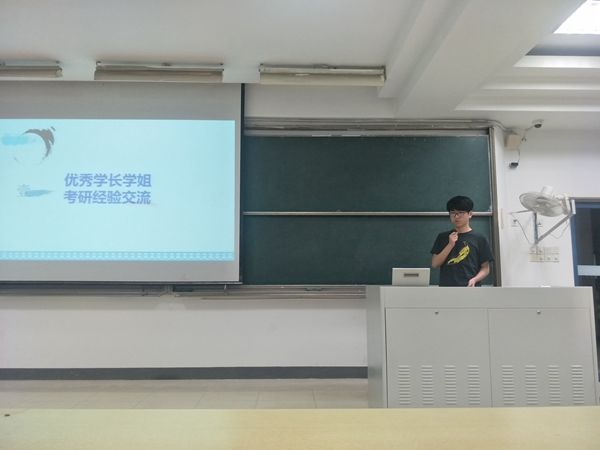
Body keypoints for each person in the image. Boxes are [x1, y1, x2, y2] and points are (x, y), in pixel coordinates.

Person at [430, 195, 493, 287]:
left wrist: (475, 279)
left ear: (470, 214)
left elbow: (486, 268)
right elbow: (435, 264)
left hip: (470, 288)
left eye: (460, 213)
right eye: (453, 213)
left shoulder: (479, 238)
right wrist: (450, 245)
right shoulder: (442, 237)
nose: (456, 216)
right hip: (447, 289)